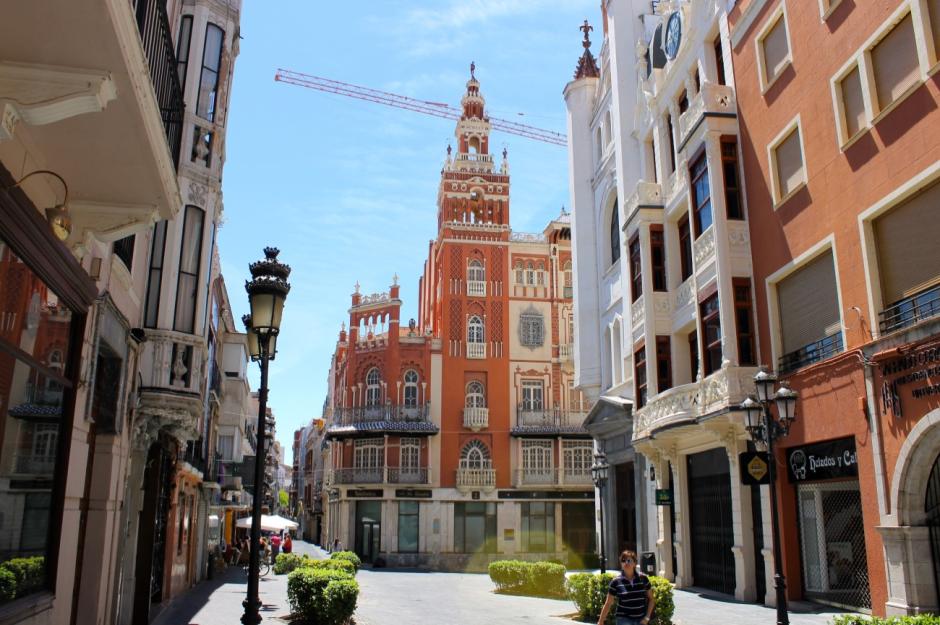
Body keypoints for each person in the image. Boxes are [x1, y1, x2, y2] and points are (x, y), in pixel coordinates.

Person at [598, 550, 655, 625]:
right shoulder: (616, 582)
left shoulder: (643, 579)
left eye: (629, 560)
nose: (626, 563)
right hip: (623, 620)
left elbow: (651, 599)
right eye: (623, 560)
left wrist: (647, 618)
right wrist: (601, 621)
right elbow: (608, 603)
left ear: (634, 563)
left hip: (641, 620)